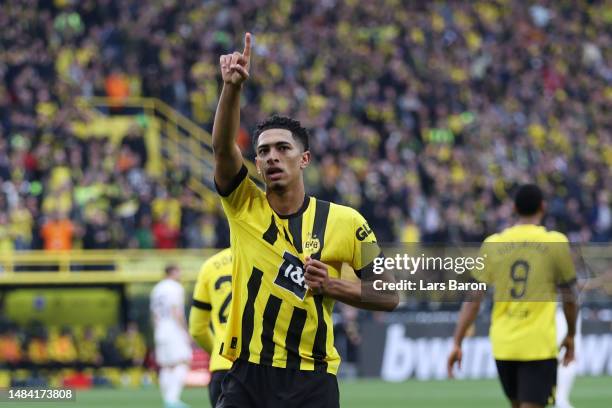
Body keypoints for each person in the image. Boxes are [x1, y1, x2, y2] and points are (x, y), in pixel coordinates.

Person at [211, 33, 398, 408]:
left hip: (312, 378)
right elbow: (221, 148)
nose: (272, 157)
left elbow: (389, 294)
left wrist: (332, 285)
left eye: (283, 148)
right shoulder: (243, 205)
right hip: (248, 373)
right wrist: (231, 88)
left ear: (304, 159)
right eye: (263, 152)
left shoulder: (345, 221)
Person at [448, 184, 578, 408]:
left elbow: (473, 299)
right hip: (539, 345)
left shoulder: (493, 245)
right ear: (543, 207)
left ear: (514, 208)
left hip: (504, 344)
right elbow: (570, 297)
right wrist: (571, 335)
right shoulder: (556, 243)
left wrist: (457, 342)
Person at [189, 248, 233, 407]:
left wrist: (217, 351)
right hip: (264, 367)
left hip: (222, 367)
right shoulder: (270, 257)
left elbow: (197, 329)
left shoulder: (210, 266)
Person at [150, 265, 192, 408]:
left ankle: (167, 400)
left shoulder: (156, 289)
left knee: (166, 366)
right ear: (173, 272)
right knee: (183, 361)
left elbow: (154, 315)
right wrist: (185, 331)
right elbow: (176, 311)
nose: (180, 274)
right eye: (179, 271)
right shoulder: (175, 287)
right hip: (173, 330)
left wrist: (158, 331)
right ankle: (172, 400)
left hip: (160, 330)